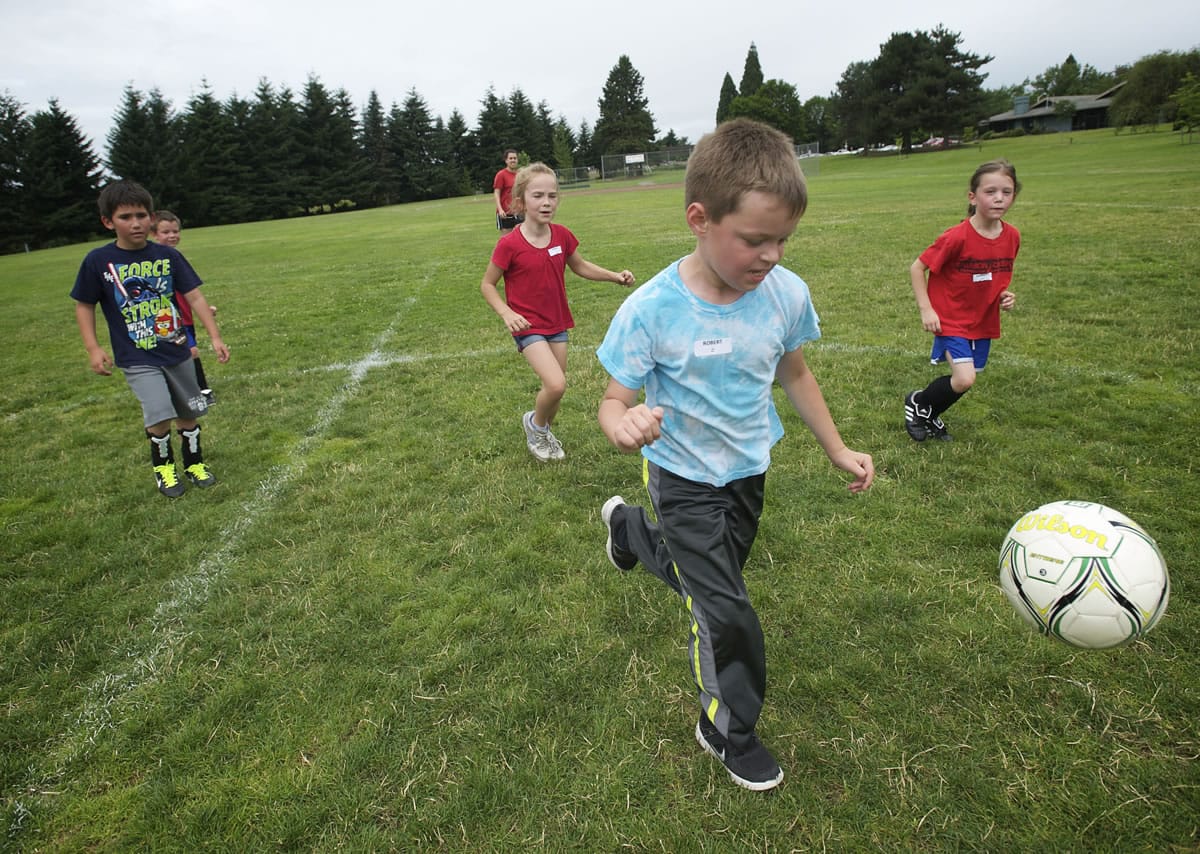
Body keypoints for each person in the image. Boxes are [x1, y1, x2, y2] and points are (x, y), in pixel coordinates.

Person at [595, 119, 874, 791]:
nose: (772, 254)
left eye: (784, 239)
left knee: (709, 583)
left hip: (749, 468)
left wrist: (836, 447)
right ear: (700, 218)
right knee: (725, 611)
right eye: (755, 239)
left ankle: (628, 531)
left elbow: (795, 373)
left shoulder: (785, 294)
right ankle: (727, 727)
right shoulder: (650, 309)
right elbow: (611, 401)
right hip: (681, 475)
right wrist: (622, 422)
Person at [72, 181, 230, 497]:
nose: (135, 223)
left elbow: (195, 297)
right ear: (108, 221)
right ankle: (165, 470)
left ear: (152, 218)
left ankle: (194, 463)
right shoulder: (98, 261)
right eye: (125, 217)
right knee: (159, 412)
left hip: (177, 350)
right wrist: (93, 347)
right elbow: (84, 304)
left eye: (141, 215)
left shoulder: (167, 256)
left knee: (189, 411)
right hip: (137, 357)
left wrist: (214, 336)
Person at [481, 162, 635, 462]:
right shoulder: (509, 244)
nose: (547, 202)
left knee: (556, 390)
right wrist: (506, 313)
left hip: (557, 323)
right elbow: (487, 284)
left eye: (552, 195)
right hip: (527, 325)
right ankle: (536, 427)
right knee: (556, 384)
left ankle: (542, 428)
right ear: (521, 200)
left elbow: (580, 266)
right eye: (538, 196)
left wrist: (615, 276)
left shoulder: (562, 235)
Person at [904, 159, 1022, 441]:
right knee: (965, 378)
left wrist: (1005, 295)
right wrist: (927, 309)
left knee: (966, 379)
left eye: (1006, 192)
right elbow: (918, 267)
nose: (998, 198)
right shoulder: (956, 237)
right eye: (990, 191)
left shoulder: (1013, 236)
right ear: (973, 196)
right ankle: (919, 402)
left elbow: (994, 276)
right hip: (950, 318)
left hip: (983, 321)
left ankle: (927, 412)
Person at [151, 210, 217, 405]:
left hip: (184, 317)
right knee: (191, 351)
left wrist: (205, 310)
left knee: (187, 353)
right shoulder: (153, 260)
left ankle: (194, 390)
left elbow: (189, 291)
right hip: (167, 319)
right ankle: (201, 392)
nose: (172, 236)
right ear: (154, 234)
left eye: (175, 231)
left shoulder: (174, 257)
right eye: (165, 232)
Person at [493, 148, 523, 234]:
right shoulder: (501, 175)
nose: (513, 160)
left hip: (518, 211)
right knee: (507, 239)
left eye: (515, 158)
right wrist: (500, 209)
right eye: (511, 158)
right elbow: (497, 192)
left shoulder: (520, 174)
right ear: (506, 160)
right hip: (505, 213)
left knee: (521, 236)